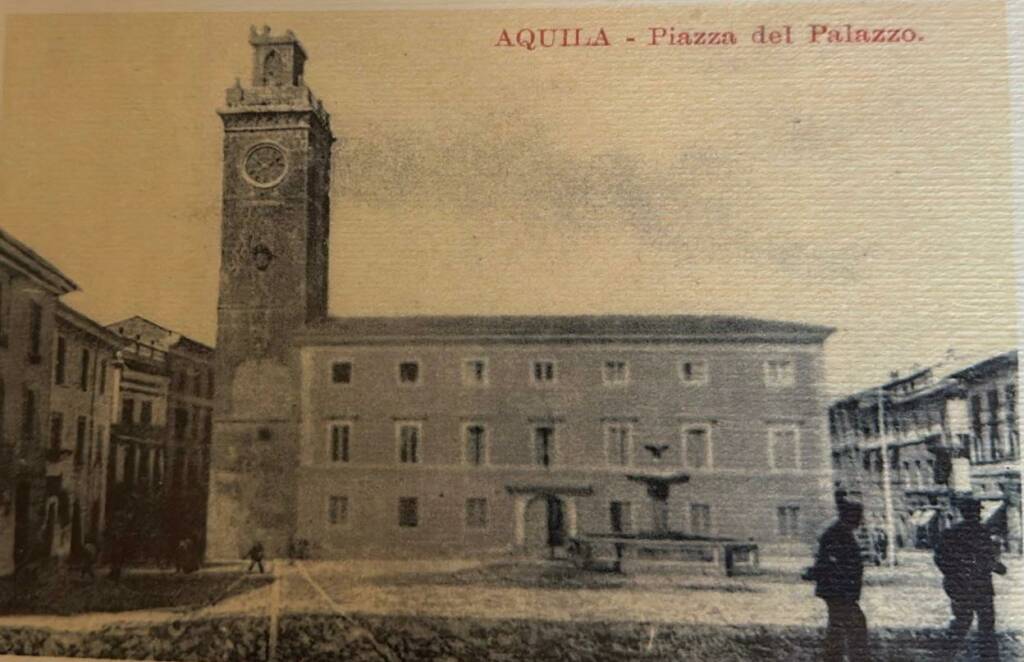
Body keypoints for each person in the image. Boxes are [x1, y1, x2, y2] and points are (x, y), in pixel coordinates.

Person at [934, 498, 1007, 661]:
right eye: (978, 512)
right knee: (986, 625)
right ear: (976, 513)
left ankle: (946, 655)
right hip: (981, 585)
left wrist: (952, 575)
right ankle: (989, 658)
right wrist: (999, 568)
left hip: (960, 586)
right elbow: (989, 559)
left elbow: (939, 557)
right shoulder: (983, 532)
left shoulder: (951, 533)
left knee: (961, 622)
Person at [802, 500, 869, 661]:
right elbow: (829, 563)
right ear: (850, 516)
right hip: (838, 590)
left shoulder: (841, 532)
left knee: (838, 625)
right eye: (858, 516)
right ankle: (854, 657)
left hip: (840, 590)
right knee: (855, 624)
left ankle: (834, 657)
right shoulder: (837, 534)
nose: (861, 520)